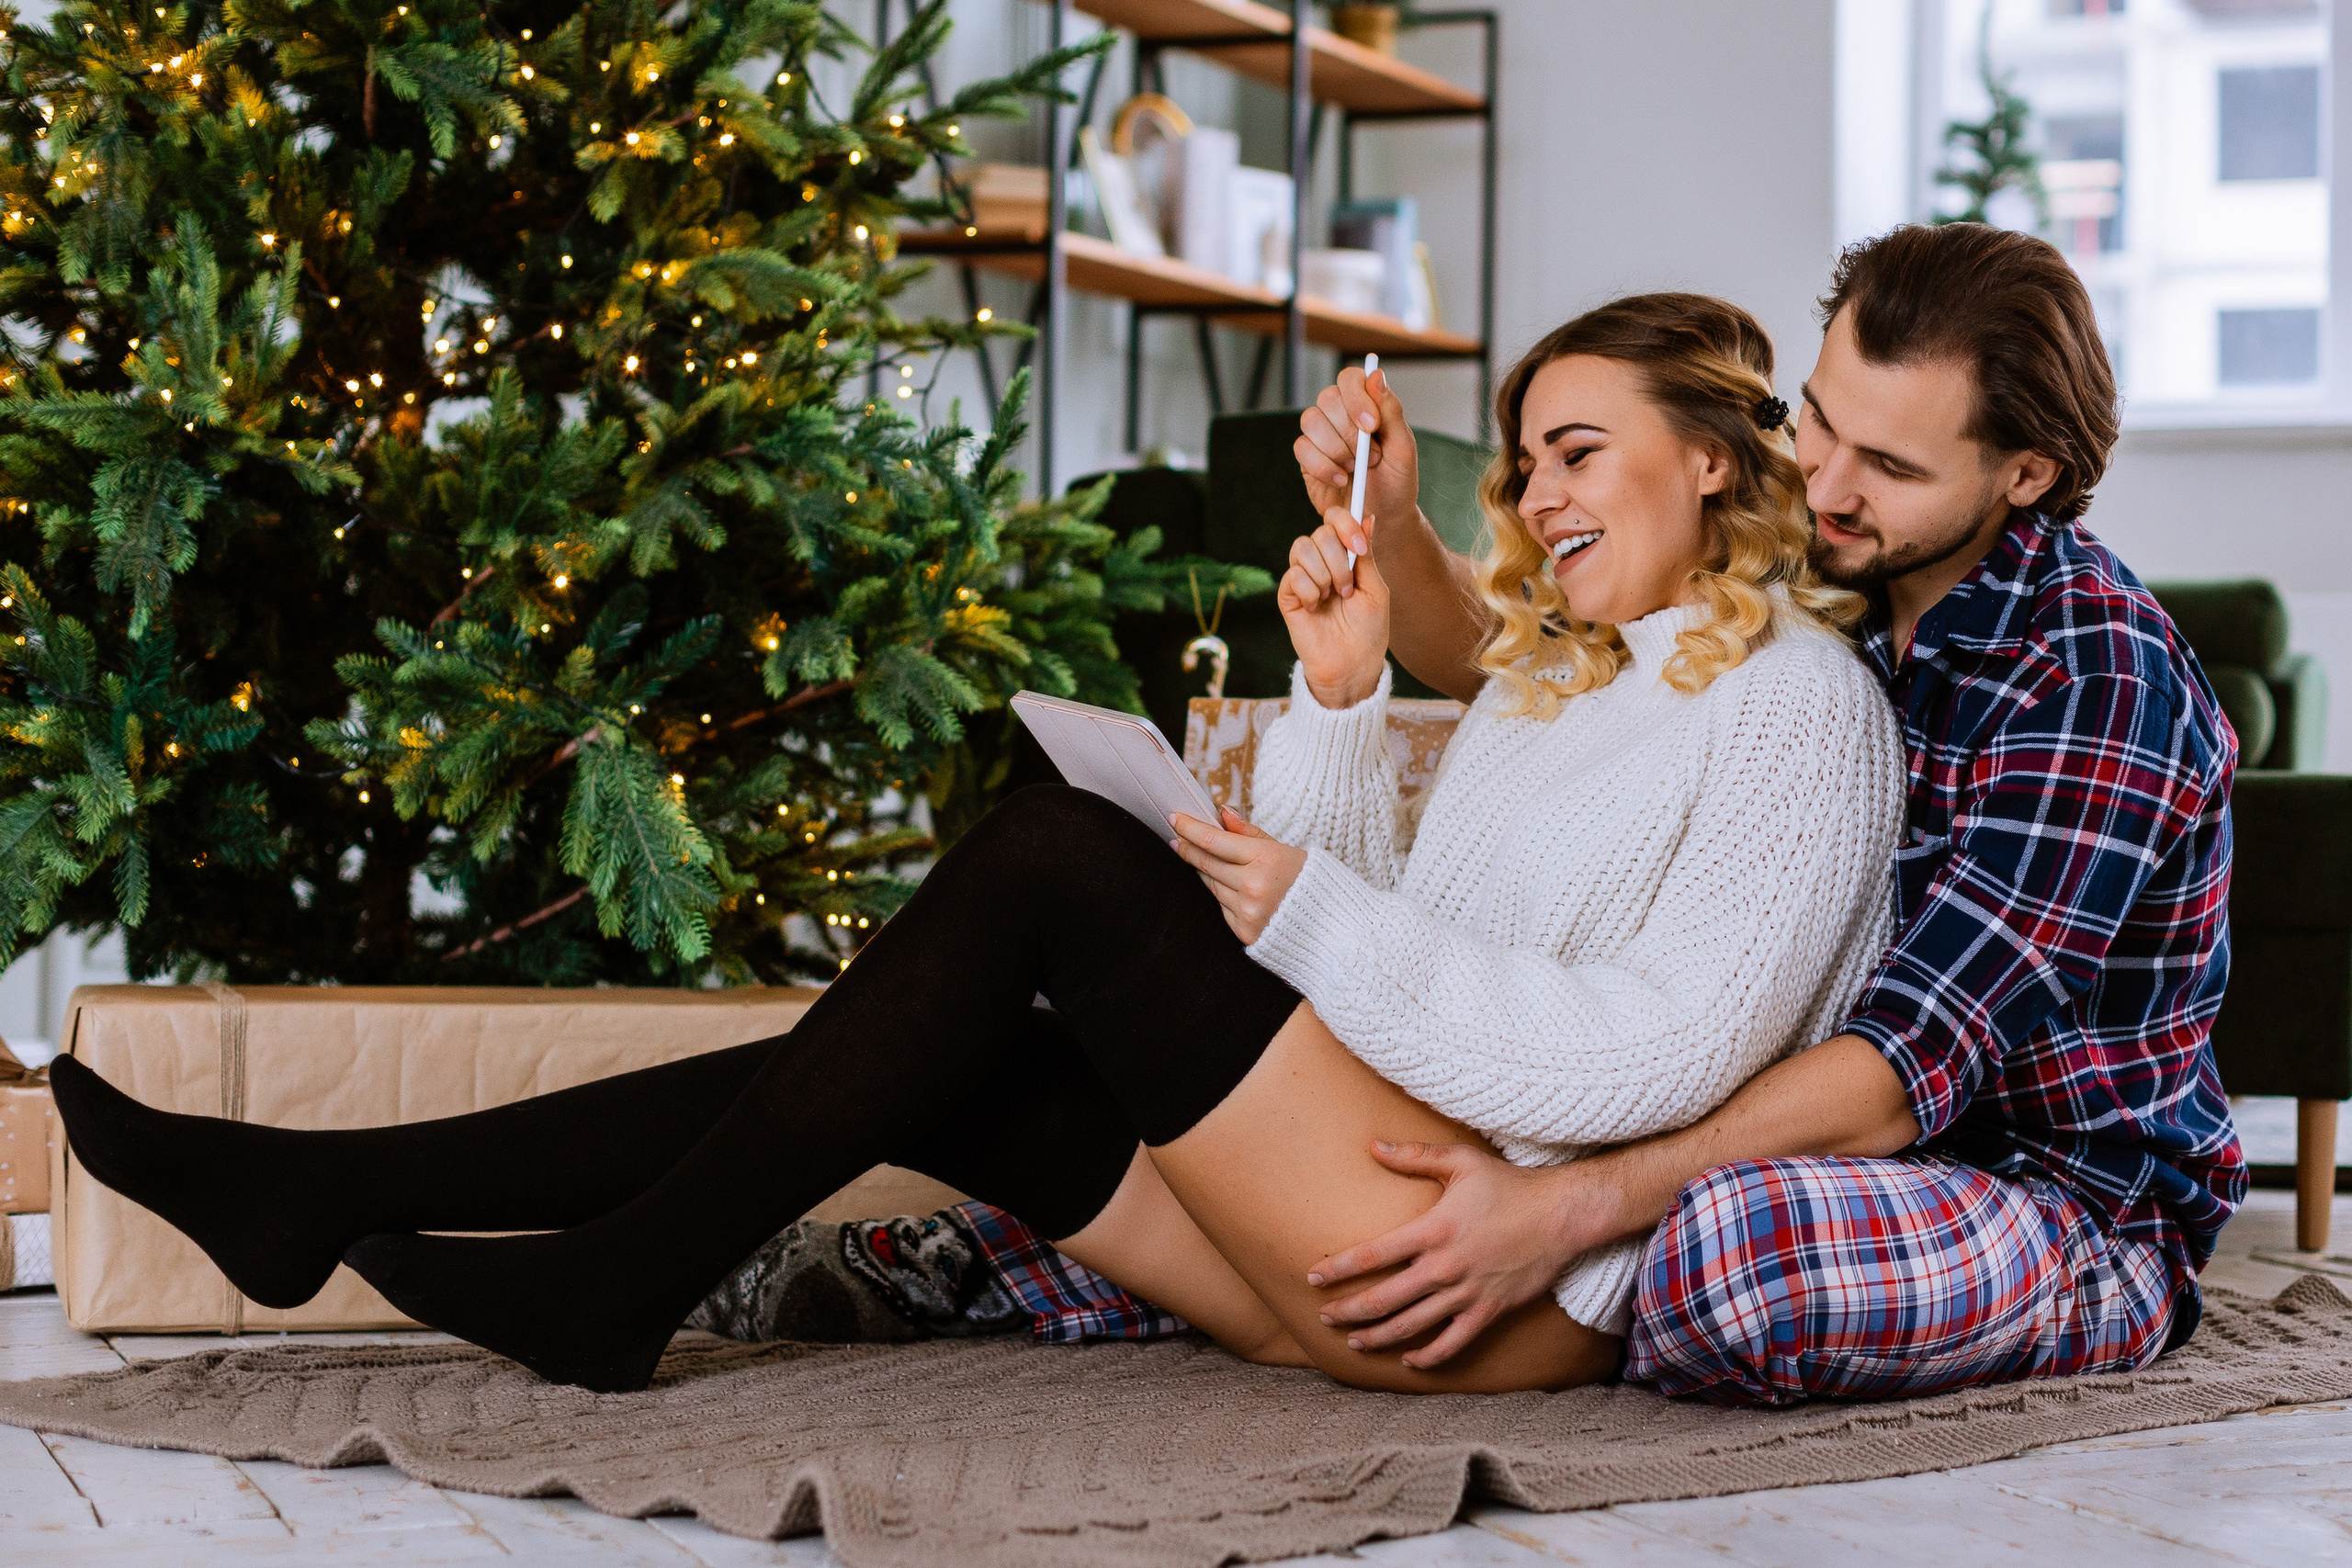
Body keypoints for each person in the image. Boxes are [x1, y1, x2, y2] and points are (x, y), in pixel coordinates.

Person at [49, 291, 1903, 1398]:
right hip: (1367, 1201)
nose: (1534, 499)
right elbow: (1375, 940)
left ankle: (601, 1280)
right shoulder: (1555, 681)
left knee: (1057, 859)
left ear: (1717, 461)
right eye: (1524, 466)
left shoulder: (1797, 708)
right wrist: (1337, 700)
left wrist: (1323, 917)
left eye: (1574, 453)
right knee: (955, 1057)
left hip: (1474, 1283)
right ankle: (325, 1193)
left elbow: (1665, 1051)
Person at [1283, 222, 2246, 1404]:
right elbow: (1529, 665)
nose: (1828, 485)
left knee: (1724, 1254)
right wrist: (1388, 520)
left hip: (2047, 1193)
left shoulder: (2096, 683)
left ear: (2024, 475)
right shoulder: (1840, 552)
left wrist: (1562, 1209)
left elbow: (1899, 1076)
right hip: (1816, 1131)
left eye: (1888, 465)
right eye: (1818, 420)